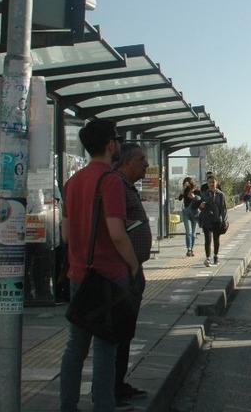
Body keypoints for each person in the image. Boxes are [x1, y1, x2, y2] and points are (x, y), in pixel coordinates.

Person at [60, 119, 139, 412]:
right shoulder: (111, 181)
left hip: (79, 275)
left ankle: (67, 406)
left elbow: (67, 235)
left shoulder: (72, 183)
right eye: (116, 140)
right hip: (109, 277)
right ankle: (103, 406)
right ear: (109, 145)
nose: (117, 145)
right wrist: (133, 265)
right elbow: (117, 234)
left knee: (75, 349)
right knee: (107, 348)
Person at [112, 143, 152, 404]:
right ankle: (111, 389)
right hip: (123, 270)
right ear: (127, 161)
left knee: (125, 331)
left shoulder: (126, 186)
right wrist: (134, 267)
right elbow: (115, 231)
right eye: (142, 160)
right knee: (118, 332)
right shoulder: (116, 185)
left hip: (130, 268)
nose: (146, 165)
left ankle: (117, 384)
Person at [198, 175, 227, 266]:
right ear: (207, 183)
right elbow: (200, 206)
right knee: (207, 240)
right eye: (209, 182)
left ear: (216, 183)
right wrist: (201, 206)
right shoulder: (204, 194)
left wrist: (224, 220)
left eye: (213, 182)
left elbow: (223, 209)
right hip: (207, 220)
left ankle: (215, 256)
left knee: (216, 239)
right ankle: (208, 258)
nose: (211, 184)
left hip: (217, 220)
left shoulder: (221, 194)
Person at [177, 177, 200, 256]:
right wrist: (183, 190)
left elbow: (200, 201)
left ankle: (191, 248)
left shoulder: (197, 191)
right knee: (188, 232)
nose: (186, 185)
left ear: (191, 183)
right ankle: (189, 249)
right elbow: (180, 199)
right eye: (185, 183)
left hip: (195, 213)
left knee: (193, 233)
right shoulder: (185, 191)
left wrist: (194, 197)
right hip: (186, 213)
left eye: (188, 183)